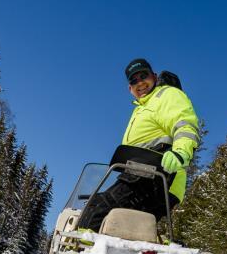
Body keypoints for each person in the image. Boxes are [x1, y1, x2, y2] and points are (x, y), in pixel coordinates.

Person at [78, 58, 200, 232]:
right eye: (134, 80)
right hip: (143, 172)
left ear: (154, 76)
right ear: (130, 88)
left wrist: (180, 151)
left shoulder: (166, 94)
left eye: (144, 76)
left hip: (156, 172)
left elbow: (184, 123)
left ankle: (84, 252)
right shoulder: (141, 108)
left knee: (100, 209)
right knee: (124, 226)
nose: (140, 83)